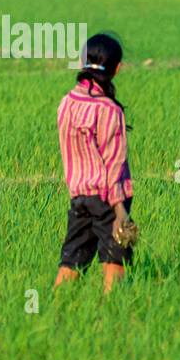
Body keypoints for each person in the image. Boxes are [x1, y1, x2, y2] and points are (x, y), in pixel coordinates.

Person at [54, 33, 135, 293]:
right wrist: (119, 211)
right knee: (115, 259)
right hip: (106, 198)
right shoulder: (109, 110)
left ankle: (57, 309)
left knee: (72, 260)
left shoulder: (67, 103)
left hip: (79, 196)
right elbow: (114, 164)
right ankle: (113, 312)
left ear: (82, 62)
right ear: (117, 69)